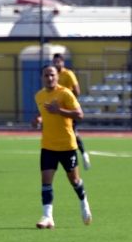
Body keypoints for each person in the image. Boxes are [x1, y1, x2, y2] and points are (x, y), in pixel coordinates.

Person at [31, 65, 92, 229]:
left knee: (74, 180)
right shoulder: (39, 96)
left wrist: (60, 111)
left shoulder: (65, 93)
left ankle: (84, 202)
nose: (49, 78)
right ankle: (47, 216)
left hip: (67, 146)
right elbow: (43, 115)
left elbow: (80, 115)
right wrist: (37, 121)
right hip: (48, 146)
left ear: (57, 76)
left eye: (52, 75)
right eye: (46, 75)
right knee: (46, 181)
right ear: (42, 78)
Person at [52, 53, 91, 170]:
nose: (56, 64)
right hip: (57, 110)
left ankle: (83, 154)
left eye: (58, 61)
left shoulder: (68, 74)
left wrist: (68, 102)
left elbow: (77, 91)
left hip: (68, 109)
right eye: (55, 61)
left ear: (63, 62)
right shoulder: (53, 75)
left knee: (72, 133)